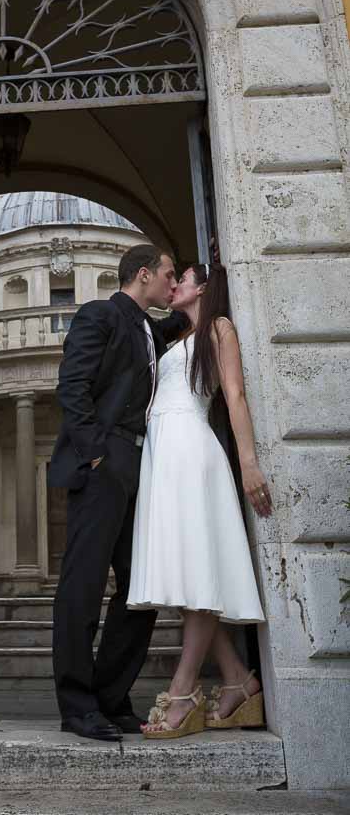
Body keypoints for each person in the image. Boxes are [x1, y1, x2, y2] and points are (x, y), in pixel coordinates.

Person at [128, 262, 272, 739]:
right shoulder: (176, 339)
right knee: (188, 572)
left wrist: (248, 463)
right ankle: (238, 682)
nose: (174, 285)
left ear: (204, 288)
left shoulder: (219, 328)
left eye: (182, 278)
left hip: (191, 448)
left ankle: (185, 689)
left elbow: (234, 395)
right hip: (164, 455)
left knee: (196, 570)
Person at [49, 244, 186, 741]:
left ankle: (111, 696)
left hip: (141, 463)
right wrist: (96, 453)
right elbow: (73, 387)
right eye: (169, 275)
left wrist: (203, 289)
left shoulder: (152, 328)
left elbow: (186, 315)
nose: (172, 284)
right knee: (82, 586)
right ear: (144, 274)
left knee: (138, 588)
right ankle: (77, 705)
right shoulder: (100, 314)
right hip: (105, 461)